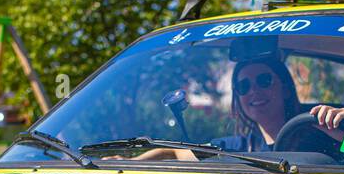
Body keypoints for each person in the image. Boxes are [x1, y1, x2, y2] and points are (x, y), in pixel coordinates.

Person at [123, 57, 302, 161]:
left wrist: (330, 123)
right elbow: (172, 153)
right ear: (238, 97)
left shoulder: (315, 133)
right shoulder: (237, 147)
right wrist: (130, 162)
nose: (254, 91)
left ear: (286, 88)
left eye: (264, 81)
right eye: (243, 86)